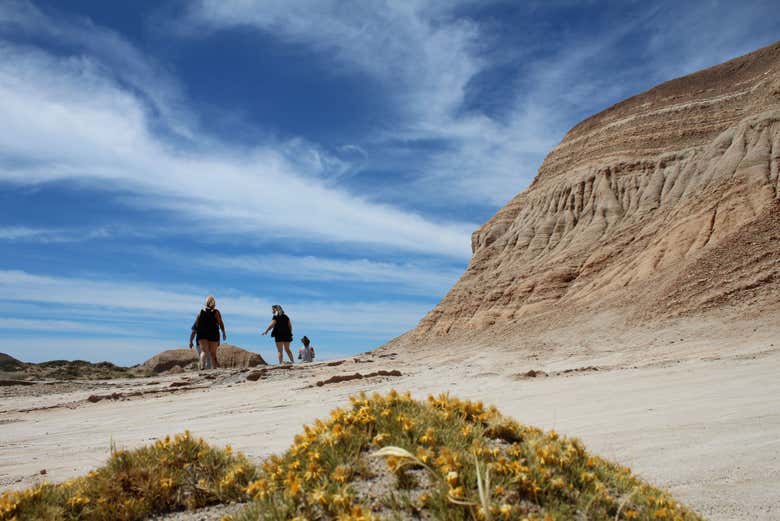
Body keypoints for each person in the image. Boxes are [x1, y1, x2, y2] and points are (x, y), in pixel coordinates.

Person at [188, 295, 226, 370]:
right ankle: (214, 369)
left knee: (204, 351)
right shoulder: (216, 312)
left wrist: (191, 341)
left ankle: (202, 367)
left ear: (206, 303)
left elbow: (195, 327)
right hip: (213, 333)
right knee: (213, 354)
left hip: (202, 333)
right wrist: (223, 332)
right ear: (214, 303)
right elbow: (221, 323)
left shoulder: (201, 312)